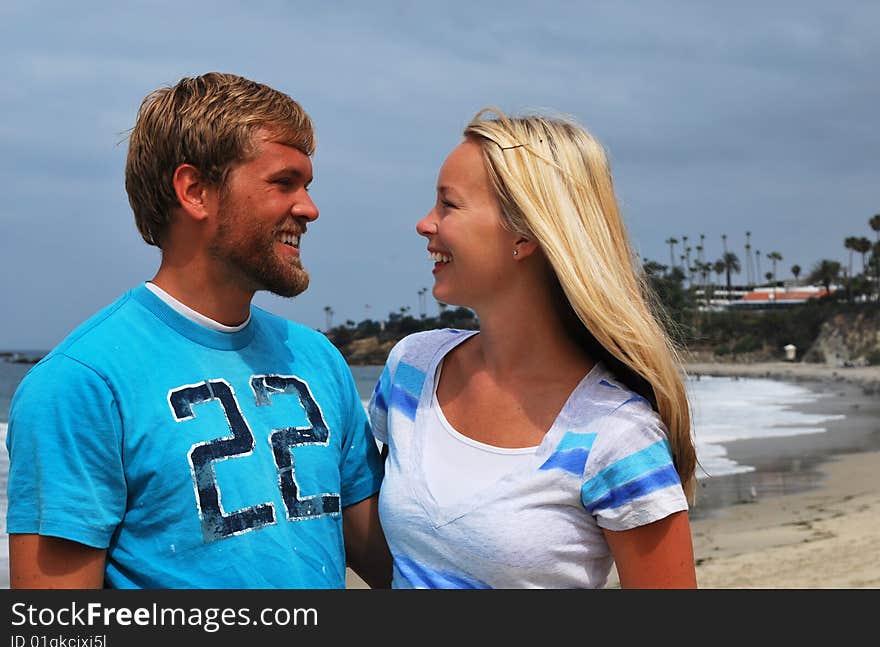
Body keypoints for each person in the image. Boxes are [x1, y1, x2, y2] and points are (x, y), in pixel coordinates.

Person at [6, 72, 390, 589]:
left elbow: (390, 566)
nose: (309, 208)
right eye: (283, 183)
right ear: (195, 191)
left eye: (307, 186)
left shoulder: (317, 359)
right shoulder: (80, 384)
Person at [369, 108, 698, 589]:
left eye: (448, 205)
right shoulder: (411, 369)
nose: (425, 223)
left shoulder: (616, 434)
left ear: (523, 234)